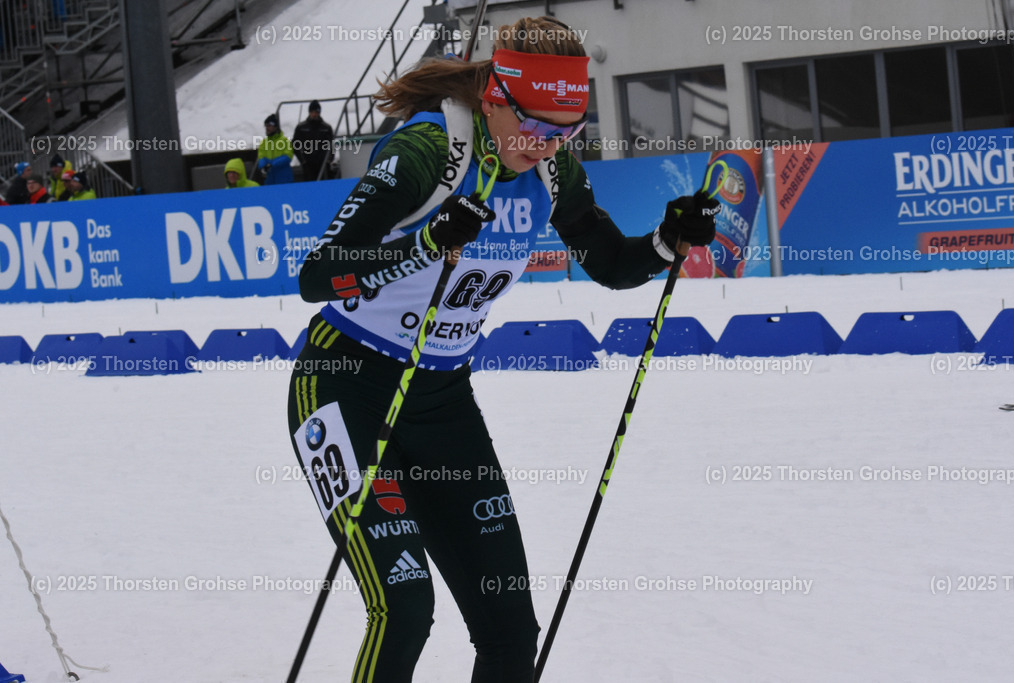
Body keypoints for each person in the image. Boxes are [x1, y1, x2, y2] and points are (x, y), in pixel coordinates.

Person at [287, 16, 719, 683]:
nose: (548, 145)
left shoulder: (549, 170)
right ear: (494, 97)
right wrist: (424, 245)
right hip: (346, 387)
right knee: (404, 608)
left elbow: (605, 259)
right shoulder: (429, 154)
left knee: (510, 629)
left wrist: (666, 241)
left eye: (568, 130)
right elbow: (318, 275)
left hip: (441, 399)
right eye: (539, 127)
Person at [292, 99, 335, 181]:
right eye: (312, 112)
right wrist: (303, 161)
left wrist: (328, 160)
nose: (314, 114)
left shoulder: (326, 128)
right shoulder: (301, 127)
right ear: (309, 112)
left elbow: (332, 146)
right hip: (308, 165)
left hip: (323, 165)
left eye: (316, 112)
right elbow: (295, 145)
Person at [255, 113, 294, 184]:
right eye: (266, 126)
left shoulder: (284, 141)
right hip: (270, 179)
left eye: (269, 125)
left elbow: (288, 156)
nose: (267, 128)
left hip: (284, 178)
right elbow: (261, 158)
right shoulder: (263, 143)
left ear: (276, 127)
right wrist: (264, 165)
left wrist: (272, 164)